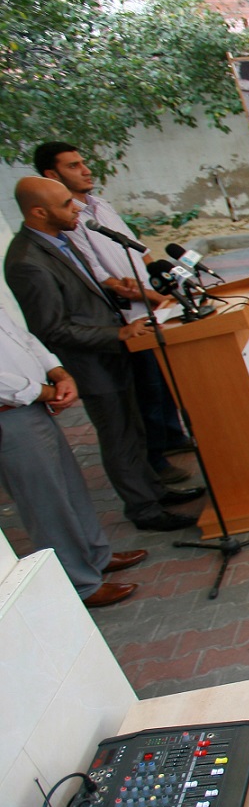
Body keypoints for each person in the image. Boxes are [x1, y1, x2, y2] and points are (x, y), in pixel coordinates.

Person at [4, 177, 201, 531]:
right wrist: (117, 333)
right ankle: (144, 510)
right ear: (38, 212)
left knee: (135, 428)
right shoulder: (27, 261)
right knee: (119, 436)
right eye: (66, 204)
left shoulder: (62, 238)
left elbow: (84, 295)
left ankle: (154, 491)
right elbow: (51, 328)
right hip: (90, 363)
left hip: (115, 352)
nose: (76, 209)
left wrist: (119, 293)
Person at [36, 142, 193, 486]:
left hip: (153, 306)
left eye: (83, 162)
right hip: (128, 317)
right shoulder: (70, 220)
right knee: (147, 389)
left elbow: (138, 249)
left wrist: (160, 284)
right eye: (73, 166)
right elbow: (100, 276)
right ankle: (155, 459)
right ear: (52, 175)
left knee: (163, 381)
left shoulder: (100, 205)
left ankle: (172, 436)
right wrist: (148, 295)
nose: (85, 170)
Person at [0, 305, 147, 607]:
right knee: (45, 502)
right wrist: (45, 391)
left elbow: (22, 338)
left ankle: (95, 556)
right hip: (10, 412)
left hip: (32, 403)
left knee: (68, 484)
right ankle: (80, 583)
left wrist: (59, 373)